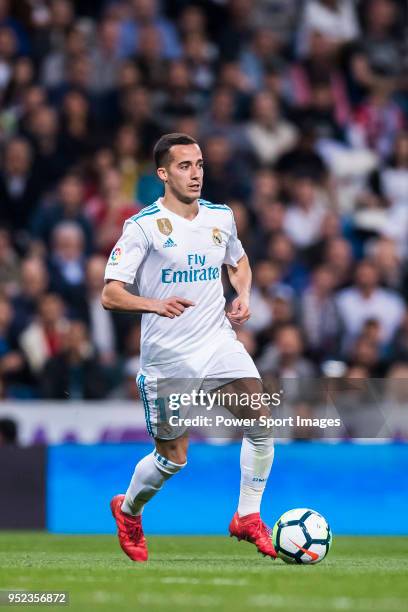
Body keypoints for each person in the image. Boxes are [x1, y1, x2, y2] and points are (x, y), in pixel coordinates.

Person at [102, 133, 276, 562]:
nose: (195, 173)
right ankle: (128, 510)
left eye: (199, 164)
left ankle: (248, 516)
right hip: (167, 359)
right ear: (163, 173)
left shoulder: (221, 217)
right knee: (172, 459)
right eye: (184, 166)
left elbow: (238, 261)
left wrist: (244, 294)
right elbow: (110, 294)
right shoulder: (142, 226)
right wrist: (154, 304)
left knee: (260, 416)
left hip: (216, 341)